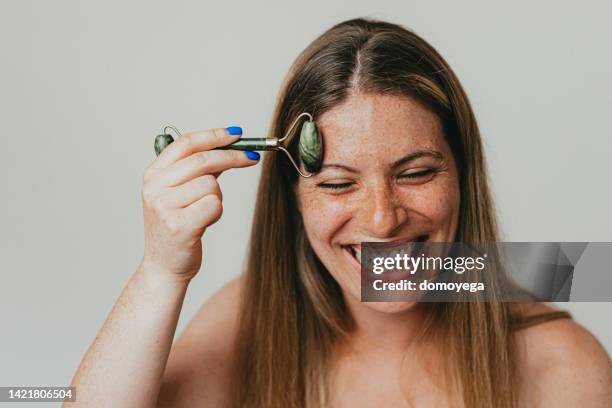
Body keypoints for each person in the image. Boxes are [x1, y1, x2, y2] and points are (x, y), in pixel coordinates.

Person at [67, 18, 612, 407]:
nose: (381, 219)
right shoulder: (250, 320)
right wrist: (161, 272)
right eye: (336, 183)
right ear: (293, 197)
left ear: (462, 175)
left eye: (416, 173)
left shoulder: (557, 363)